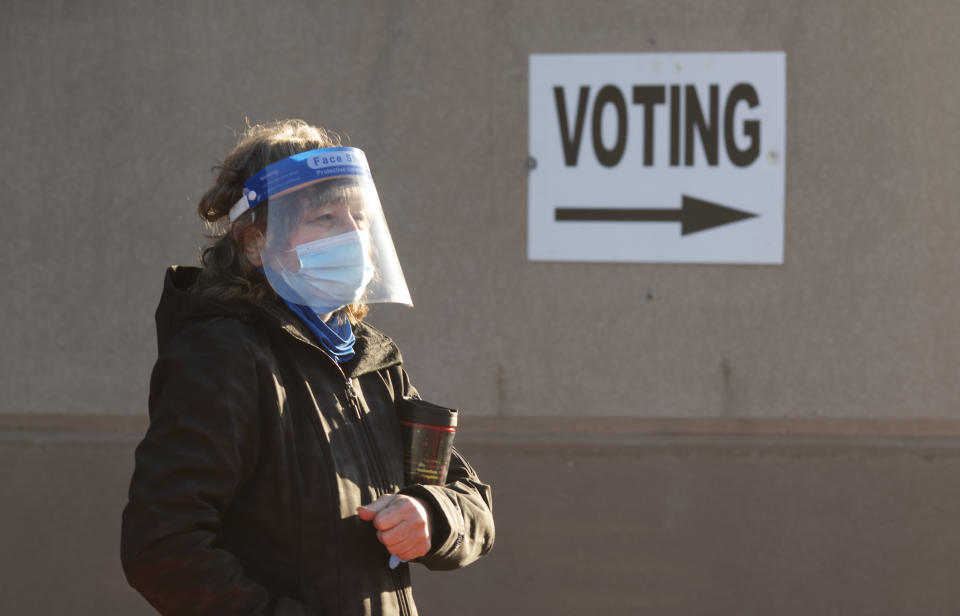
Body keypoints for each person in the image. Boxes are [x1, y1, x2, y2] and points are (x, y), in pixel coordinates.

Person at [121, 120, 495, 615]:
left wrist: (432, 513)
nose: (353, 235)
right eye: (325, 218)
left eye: (359, 217)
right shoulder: (223, 355)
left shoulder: (369, 358)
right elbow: (162, 545)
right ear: (255, 243)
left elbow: (471, 501)